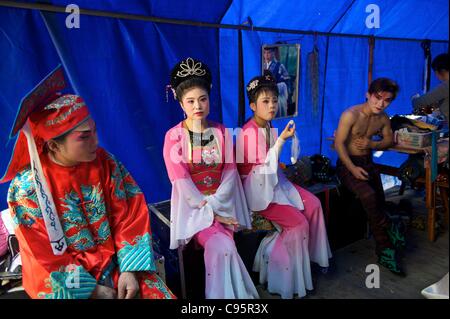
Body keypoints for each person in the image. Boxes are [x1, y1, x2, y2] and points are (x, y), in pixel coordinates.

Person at [1, 66, 175, 299]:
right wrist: (91, 290)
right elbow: (45, 257)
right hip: (65, 281)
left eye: (94, 130)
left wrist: (130, 269)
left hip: (116, 263)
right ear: (53, 145)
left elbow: (129, 215)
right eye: (84, 136)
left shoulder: (105, 163)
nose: (96, 140)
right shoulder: (28, 189)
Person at [163, 57, 259, 299]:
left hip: (224, 203)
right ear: (180, 102)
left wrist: (218, 206)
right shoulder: (174, 136)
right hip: (193, 211)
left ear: (209, 98)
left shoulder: (221, 131)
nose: (198, 106)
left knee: (226, 248)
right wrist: (212, 212)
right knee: (223, 248)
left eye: (203, 99)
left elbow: (229, 172)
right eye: (191, 101)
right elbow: (181, 181)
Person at [236, 73, 332, 299]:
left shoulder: (267, 125)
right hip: (257, 190)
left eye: (274, 100)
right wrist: (281, 141)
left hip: (275, 181)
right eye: (265, 102)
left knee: (315, 205)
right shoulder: (248, 133)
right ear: (253, 106)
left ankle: (310, 260)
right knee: (298, 224)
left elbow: (273, 167)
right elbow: (262, 172)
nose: (271, 106)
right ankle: (279, 272)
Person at [334, 77, 406, 276]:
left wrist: (372, 145)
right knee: (368, 196)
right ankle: (389, 225)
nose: (381, 104)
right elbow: (339, 144)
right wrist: (352, 169)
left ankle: (384, 250)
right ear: (368, 94)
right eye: (377, 98)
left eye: (387, 100)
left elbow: (388, 140)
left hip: (368, 163)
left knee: (378, 203)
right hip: (347, 165)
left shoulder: (382, 118)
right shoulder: (350, 114)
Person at [412, 53, 449, 122]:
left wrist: (414, 99)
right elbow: (433, 108)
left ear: (439, 71)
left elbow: (419, 103)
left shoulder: (446, 86)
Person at [263, 47, 290, 117]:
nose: (266, 55)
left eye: (268, 53)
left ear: (273, 53)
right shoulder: (262, 65)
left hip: (277, 95)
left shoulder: (280, 66)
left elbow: (286, 82)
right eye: (265, 53)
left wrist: (277, 86)